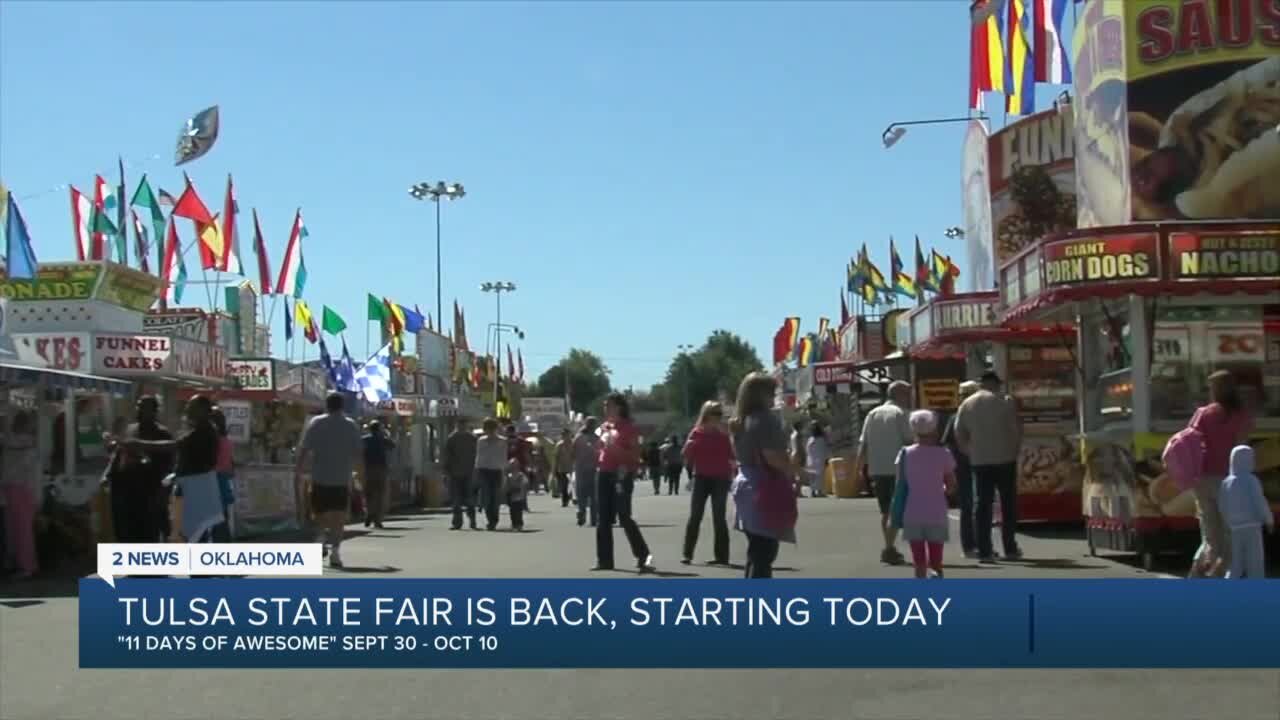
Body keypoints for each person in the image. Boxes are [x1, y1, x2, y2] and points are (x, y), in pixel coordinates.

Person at [124, 396, 222, 545]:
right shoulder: (201, 429)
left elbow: (173, 446)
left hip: (198, 490)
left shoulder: (205, 431)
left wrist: (139, 444)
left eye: (191, 406)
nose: (186, 409)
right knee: (190, 534)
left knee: (195, 535)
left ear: (202, 410)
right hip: (193, 488)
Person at [1186, 370, 1255, 578]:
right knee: (1230, 534)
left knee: (1209, 536)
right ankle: (1217, 577)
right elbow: (1242, 447)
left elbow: (1189, 441)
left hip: (1203, 480)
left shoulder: (1202, 414)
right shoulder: (1241, 415)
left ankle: (1196, 575)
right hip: (1229, 481)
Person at [730, 372, 797, 578]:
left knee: (756, 550)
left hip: (745, 484)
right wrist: (797, 472)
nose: (774, 397)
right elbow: (772, 457)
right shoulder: (765, 420)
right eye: (772, 393)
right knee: (765, 552)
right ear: (761, 395)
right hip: (764, 486)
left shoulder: (740, 421)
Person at [954, 371, 1023, 563]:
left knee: (982, 505)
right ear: (995, 384)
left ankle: (984, 551)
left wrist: (970, 452)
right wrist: (1015, 450)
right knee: (1007, 504)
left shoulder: (967, 404)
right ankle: (1010, 547)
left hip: (980, 461)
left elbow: (959, 433)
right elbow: (1016, 429)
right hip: (1005, 459)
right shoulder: (1006, 401)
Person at [295, 392, 362, 568]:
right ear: (342, 406)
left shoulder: (316, 423)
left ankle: (320, 538)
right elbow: (357, 454)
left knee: (320, 513)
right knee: (339, 517)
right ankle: (335, 553)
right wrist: (359, 476)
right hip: (341, 478)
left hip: (319, 477)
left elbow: (304, 449)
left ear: (327, 405)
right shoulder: (350, 425)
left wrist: (298, 469)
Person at [892, 410, 956, 578]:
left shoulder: (905, 453)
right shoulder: (944, 454)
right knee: (936, 560)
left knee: (919, 561)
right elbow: (951, 485)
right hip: (936, 512)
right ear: (935, 430)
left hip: (912, 512)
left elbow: (899, 483)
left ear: (914, 430)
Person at [854, 381, 913, 566]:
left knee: (886, 510)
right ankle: (889, 547)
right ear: (900, 395)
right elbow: (910, 441)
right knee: (899, 509)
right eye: (908, 394)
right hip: (899, 469)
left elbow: (863, 444)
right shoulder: (901, 414)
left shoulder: (872, 414)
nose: (910, 398)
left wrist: (858, 470)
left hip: (877, 469)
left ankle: (889, 545)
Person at [594, 392, 654, 572]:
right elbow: (600, 450)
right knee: (602, 517)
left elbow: (635, 455)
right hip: (604, 473)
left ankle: (643, 554)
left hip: (621, 474)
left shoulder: (629, 428)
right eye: (604, 405)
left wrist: (617, 451)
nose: (605, 408)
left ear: (619, 407)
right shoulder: (604, 427)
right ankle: (604, 560)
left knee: (624, 516)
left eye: (608, 405)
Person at [105, 396, 173, 543]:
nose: (140, 410)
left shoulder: (162, 434)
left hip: (147, 495)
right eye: (139, 406)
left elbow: (166, 466)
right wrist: (109, 473)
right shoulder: (130, 429)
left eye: (145, 407)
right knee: (124, 535)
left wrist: (141, 458)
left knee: (146, 536)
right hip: (123, 492)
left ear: (155, 411)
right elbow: (119, 453)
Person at [681, 401, 734, 565]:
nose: (719, 417)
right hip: (701, 478)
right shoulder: (696, 433)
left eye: (720, 414)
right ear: (706, 415)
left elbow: (732, 456)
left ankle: (722, 556)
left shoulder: (724, 435)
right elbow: (686, 455)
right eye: (716, 414)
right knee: (695, 516)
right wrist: (688, 447)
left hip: (720, 479)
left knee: (719, 517)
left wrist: (733, 475)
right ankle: (687, 554)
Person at [1219, 445, 1273, 579]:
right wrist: (1269, 520)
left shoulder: (1226, 482)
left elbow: (1222, 506)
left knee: (1236, 561)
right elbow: (1259, 501)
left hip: (1235, 528)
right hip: (1252, 526)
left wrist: (1227, 523)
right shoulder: (1251, 480)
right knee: (1255, 561)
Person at [941, 381, 980, 558]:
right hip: (975, 465)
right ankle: (976, 545)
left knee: (970, 506)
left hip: (963, 466)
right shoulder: (979, 415)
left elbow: (947, 443)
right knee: (976, 505)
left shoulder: (955, 416)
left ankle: (972, 546)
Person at [1, 411, 40, 579]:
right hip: (24, 489)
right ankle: (26, 565)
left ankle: (21, 564)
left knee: (14, 529)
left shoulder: (9, 442)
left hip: (13, 488)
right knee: (23, 530)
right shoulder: (30, 445)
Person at [443, 419, 478, 530]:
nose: (462, 426)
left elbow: (477, 455)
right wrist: (446, 470)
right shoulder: (454, 438)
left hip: (464, 472)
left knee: (464, 498)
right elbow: (447, 456)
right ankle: (461, 521)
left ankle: (467, 521)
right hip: (459, 472)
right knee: (460, 499)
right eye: (460, 424)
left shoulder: (469, 438)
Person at [475, 419, 509, 531]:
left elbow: (504, 457)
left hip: (497, 471)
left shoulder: (502, 441)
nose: (489, 431)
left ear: (495, 429)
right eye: (487, 429)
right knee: (486, 496)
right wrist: (477, 471)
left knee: (495, 497)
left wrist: (504, 472)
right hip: (484, 471)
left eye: (491, 428)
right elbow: (478, 457)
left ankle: (494, 520)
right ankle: (490, 519)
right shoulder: (481, 441)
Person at [361, 420, 395, 529]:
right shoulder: (383, 439)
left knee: (368, 494)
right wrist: (386, 434)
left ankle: (369, 513)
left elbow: (357, 450)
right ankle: (377, 520)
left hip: (368, 469)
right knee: (380, 495)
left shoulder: (364, 439)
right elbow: (393, 445)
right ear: (379, 429)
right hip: (381, 469)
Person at [209, 406, 236, 542]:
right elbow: (230, 465)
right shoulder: (227, 441)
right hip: (223, 482)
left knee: (215, 519)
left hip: (213, 481)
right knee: (222, 517)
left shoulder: (214, 440)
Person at [573, 418, 602, 527]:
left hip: (581, 469)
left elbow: (572, 452)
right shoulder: (596, 439)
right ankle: (593, 518)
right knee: (594, 495)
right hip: (593, 469)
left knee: (582, 494)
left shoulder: (578, 437)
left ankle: (582, 512)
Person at [806, 423, 830, 498]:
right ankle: (818, 492)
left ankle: (813, 491)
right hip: (819, 459)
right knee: (819, 476)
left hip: (811, 459)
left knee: (813, 476)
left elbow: (807, 449)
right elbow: (825, 450)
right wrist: (826, 458)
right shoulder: (822, 439)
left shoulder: (810, 439)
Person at [505, 458, 528, 531]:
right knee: (512, 511)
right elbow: (505, 485)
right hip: (511, 496)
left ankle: (519, 524)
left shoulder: (521, 475)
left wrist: (523, 491)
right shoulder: (508, 476)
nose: (513, 466)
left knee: (519, 511)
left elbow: (525, 483)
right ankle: (514, 524)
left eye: (515, 464)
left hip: (519, 496)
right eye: (512, 465)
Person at [554, 428, 574, 507]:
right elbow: (556, 457)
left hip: (571, 468)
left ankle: (569, 497)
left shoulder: (573, 444)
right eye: (563, 435)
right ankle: (564, 501)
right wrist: (554, 469)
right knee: (564, 485)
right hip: (562, 468)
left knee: (572, 484)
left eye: (566, 434)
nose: (565, 436)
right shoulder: (559, 445)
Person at [790, 420, 808, 498]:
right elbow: (799, 446)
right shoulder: (798, 435)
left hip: (793, 454)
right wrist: (802, 455)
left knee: (797, 474)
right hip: (798, 454)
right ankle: (797, 492)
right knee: (800, 475)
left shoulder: (792, 435)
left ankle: (796, 491)